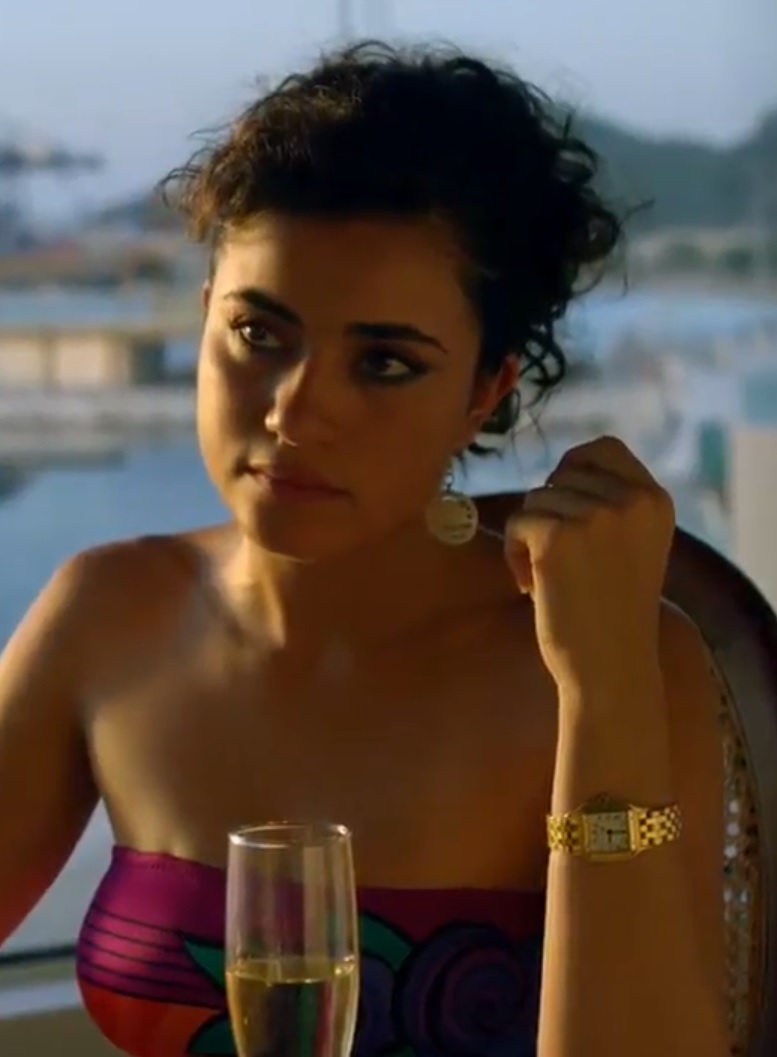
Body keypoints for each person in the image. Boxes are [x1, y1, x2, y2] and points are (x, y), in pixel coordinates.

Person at [0, 41, 727, 1057]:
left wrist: (603, 692)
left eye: (383, 362)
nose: (296, 412)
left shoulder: (619, 665)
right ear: (205, 317)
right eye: (259, 334)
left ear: (484, 391)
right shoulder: (107, 613)